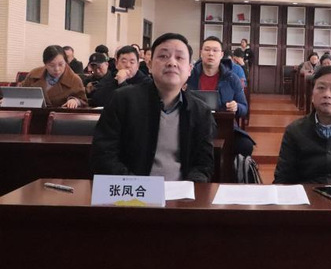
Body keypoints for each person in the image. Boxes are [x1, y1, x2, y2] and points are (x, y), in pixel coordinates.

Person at [91, 33, 215, 182]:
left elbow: (203, 165)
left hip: (181, 193)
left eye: (179, 57)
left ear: (189, 69)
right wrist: (138, 186)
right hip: (132, 191)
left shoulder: (201, 112)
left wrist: (189, 187)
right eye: (163, 56)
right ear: (149, 65)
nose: (172, 63)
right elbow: (104, 154)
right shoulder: (122, 100)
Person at [186, 36, 254, 156]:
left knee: (245, 145)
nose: (211, 54)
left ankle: (232, 168)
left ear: (221, 54)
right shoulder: (189, 76)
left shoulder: (232, 78)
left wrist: (236, 106)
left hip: (223, 125)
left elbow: (244, 108)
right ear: (201, 53)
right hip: (194, 125)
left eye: (215, 50)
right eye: (207, 50)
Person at [21, 45, 88, 108]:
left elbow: (84, 101)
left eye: (61, 64)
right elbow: (20, 94)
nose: (57, 69)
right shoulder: (33, 75)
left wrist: (76, 101)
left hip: (59, 115)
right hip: (34, 114)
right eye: (52, 65)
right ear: (45, 64)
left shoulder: (74, 80)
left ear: (66, 62)